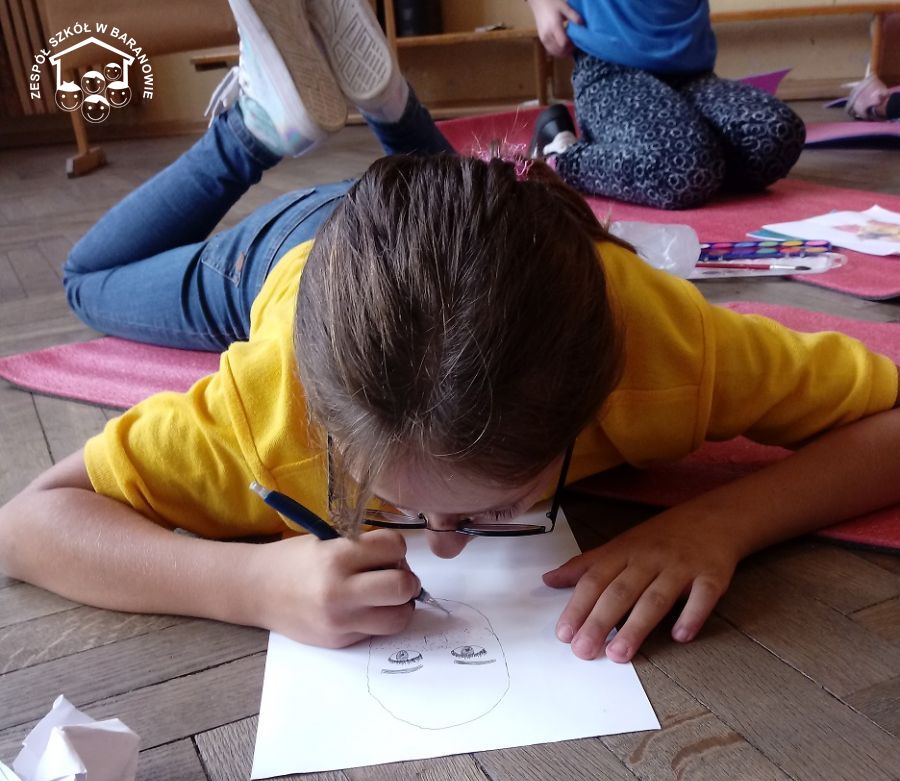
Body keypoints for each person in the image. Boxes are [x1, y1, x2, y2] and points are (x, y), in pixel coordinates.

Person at [0, 0, 898, 669]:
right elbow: (27, 525)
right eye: (395, 501)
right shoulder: (270, 409)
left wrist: (721, 524)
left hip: (447, 217)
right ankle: (254, 133)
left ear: (597, 395)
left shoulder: (662, 345)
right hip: (284, 247)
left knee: (461, 195)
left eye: (491, 511)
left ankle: (392, 103)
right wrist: (246, 587)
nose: (445, 549)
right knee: (89, 280)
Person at [526, 0, 807, 209]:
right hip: (609, 70)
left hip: (692, 74)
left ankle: (679, 159)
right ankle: (560, 158)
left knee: (775, 135)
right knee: (684, 166)